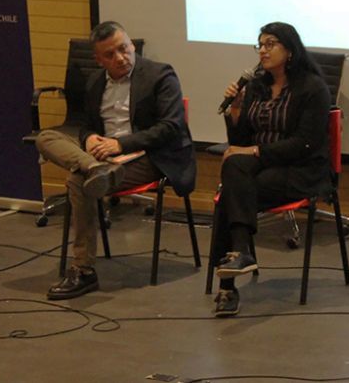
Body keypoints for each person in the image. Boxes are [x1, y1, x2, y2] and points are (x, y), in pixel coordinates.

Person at [36, 21, 196, 300]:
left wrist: (121, 144)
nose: (120, 58)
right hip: (103, 157)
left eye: (123, 49)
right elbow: (87, 125)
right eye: (110, 55)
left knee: (78, 181)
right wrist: (89, 139)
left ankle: (83, 269)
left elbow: (171, 127)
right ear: (99, 59)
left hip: (149, 155)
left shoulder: (160, 75)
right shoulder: (95, 82)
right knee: (46, 138)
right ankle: (94, 167)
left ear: (132, 45)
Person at [210, 22, 331, 317]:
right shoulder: (256, 86)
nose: (263, 51)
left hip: (299, 169)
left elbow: (305, 144)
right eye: (260, 45)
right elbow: (240, 141)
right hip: (258, 169)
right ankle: (240, 255)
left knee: (231, 192)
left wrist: (255, 151)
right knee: (234, 179)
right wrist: (236, 110)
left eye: (270, 44)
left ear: (290, 50)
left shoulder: (313, 88)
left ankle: (227, 286)